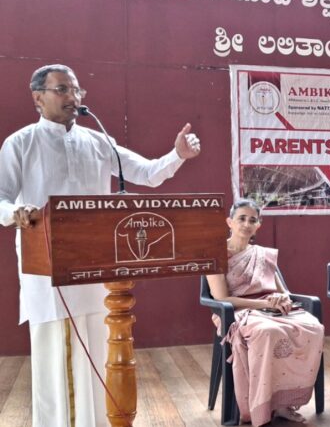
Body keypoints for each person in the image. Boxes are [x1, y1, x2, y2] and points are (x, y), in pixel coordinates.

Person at [0, 64, 202, 426]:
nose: (73, 97)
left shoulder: (96, 141)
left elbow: (146, 173)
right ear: (38, 97)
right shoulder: (21, 143)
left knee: (100, 351)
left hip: (98, 270)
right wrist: (17, 212)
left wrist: (177, 156)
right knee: (59, 357)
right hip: (49, 270)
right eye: (63, 89)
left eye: (77, 90)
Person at [206, 199, 324, 424]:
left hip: (270, 309)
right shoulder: (215, 254)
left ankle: (284, 403)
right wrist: (265, 305)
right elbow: (222, 299)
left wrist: (281, 298)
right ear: (229, 222)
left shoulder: (263, 254)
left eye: (252, 220)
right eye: (241, 219)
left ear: (258, 225)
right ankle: (262, 406)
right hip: (236, 311)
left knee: (313, 327)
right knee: (267, 332)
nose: (246, 224)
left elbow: (283, 292)